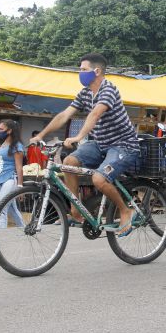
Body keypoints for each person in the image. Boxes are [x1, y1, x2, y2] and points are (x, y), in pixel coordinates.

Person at [31, 53, 140, 236]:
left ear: (96, 71)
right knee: (69, 163)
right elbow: (64, 115)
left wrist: (78, 136)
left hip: (123, 145)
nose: (80, 73)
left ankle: (125, 210)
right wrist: (40, 135)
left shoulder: (108, 90)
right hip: (100, 144)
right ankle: (76, 212)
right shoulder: (85, 93)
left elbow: (95, 114)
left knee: (99, 179)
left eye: (83, 70)